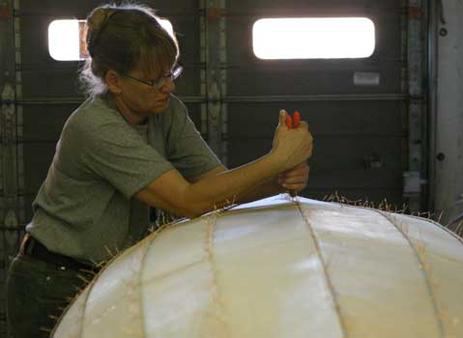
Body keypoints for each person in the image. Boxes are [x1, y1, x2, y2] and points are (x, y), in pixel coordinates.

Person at [5, 3, 312, 337]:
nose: (169, 87)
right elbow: (188, 201)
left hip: (106, 274)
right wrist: (275, 160)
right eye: (154, 80)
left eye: (171, 73)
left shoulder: (166, 111)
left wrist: (277, 182)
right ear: (114, 80)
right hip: (53, 280)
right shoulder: (95, 127)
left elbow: (215, 185)